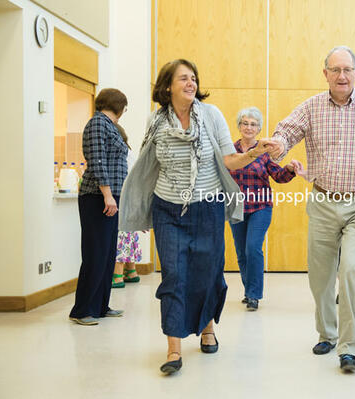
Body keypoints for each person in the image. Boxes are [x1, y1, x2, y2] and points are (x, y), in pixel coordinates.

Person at [118, 59, 280, 375]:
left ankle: (207, 328)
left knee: (208, 272)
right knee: (174, 275)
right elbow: (148, 165)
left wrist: (254, 152)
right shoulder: (156, 121)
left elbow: (229, 160)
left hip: (207, 207)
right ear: (167, 86)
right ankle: (174, 348)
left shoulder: (211, 115)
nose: (191, 83)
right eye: (183, 78)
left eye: (193, 78)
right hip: (168, 208)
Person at [269, 45, 355, 372]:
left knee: (352, 271)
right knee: (321, 275)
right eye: (335, 70)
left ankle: (350, 347)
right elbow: (286, 132)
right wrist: (278, 145)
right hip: (324, 201)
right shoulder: (312, 107)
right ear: (325, 73)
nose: (342, 76)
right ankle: (327, 332)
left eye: (347, 70)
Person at [229, 107, 303, 311]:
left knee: (253, 247)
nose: (249, 127)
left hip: (260, 207)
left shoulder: (265, 150)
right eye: (245, 123)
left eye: (253, 124)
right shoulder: (230, 150)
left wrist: (288, 169)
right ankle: (248, 290)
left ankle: (254, 295)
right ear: (239, 126)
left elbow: (278, 176)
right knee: (241, 252)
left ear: (259, 128)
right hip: (235, 207)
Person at [69, 88, 128, 326]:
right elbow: (97, 160)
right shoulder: (97, 124)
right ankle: (82, 310)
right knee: (95, 254)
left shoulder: (108, 125)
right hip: (96, 197)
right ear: (118, 106)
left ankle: (100, 306)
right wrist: (107, 195)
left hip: (109, 197)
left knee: (106, 255)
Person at [112, 124, 142, 288]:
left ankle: (117, 276)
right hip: (131, 200)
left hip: (121, 199)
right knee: (129, 235)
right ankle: (131, 272)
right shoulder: (130, 152)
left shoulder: (118, 153)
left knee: (120, 238)